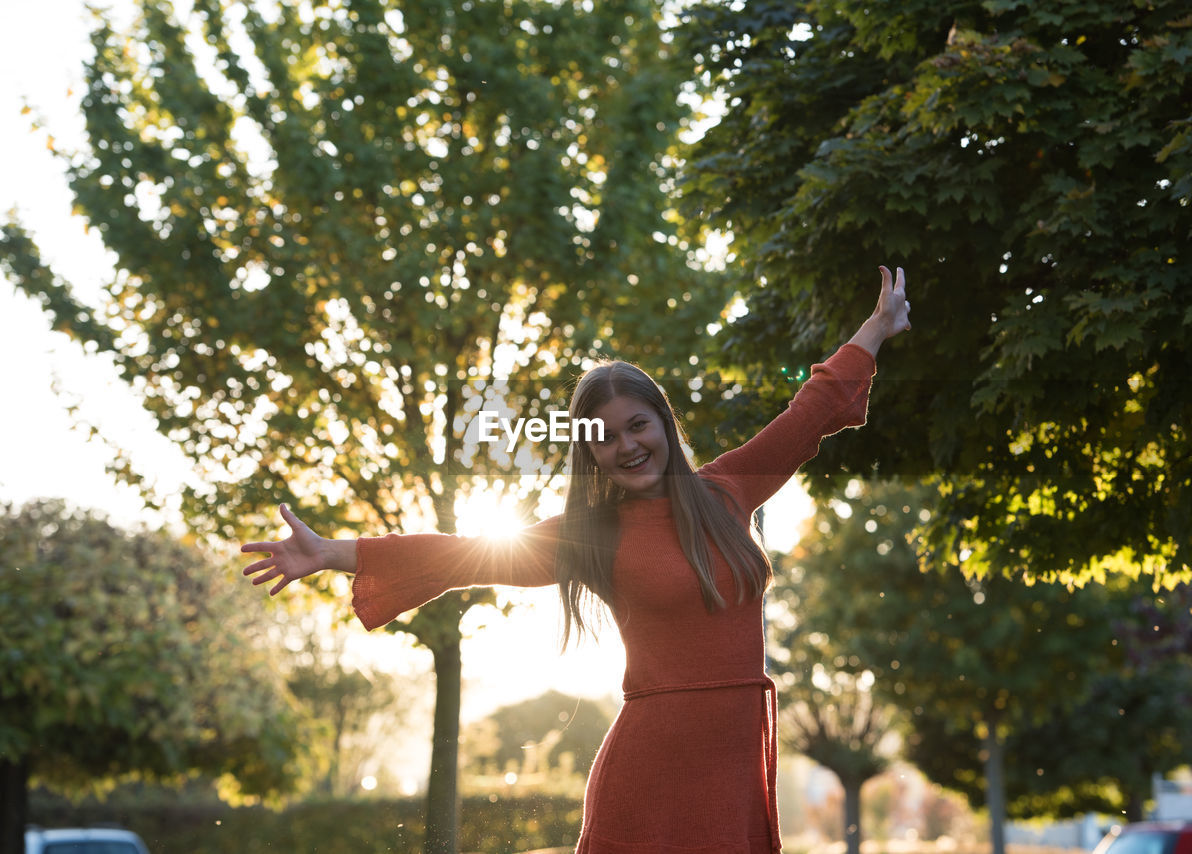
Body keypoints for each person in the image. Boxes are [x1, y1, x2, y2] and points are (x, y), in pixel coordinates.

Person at [241, 266, 911, 852]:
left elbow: (810, 411)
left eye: (638, 426)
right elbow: (468, 555)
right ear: (589, 453)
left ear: (663, 425)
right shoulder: (593, 534)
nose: (627, 446)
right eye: (605, 437)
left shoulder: (727, 491)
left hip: (731, 777)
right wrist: (334, 551)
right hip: (648, 776)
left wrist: (876, 329)